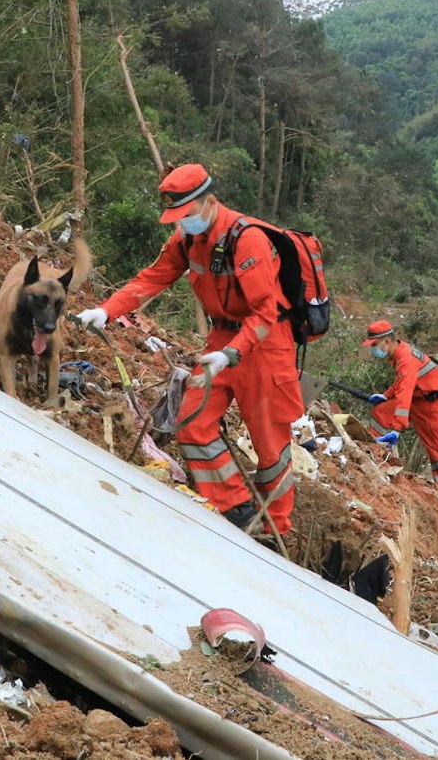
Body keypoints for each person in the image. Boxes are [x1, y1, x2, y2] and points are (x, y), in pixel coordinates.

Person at [75, 165, 302, 536]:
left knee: (270, 445)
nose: (182, 223)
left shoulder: (248, 241)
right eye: (176, 218)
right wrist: (107, 310)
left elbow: (266, 312)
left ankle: (276, 529)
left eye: (186, 215)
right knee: (193, 422)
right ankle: (238, 511)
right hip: (222, 340)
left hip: (264, 344)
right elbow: (152, 277)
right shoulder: (186, 239)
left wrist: (233, 353)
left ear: (209, 202)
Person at [361, 321, 438, 487]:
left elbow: (404, 392)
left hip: (434, 407)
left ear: (387, 341)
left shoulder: (406, 359)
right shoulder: (400, 351)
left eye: (375, 345)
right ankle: (375, 455)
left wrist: (397, 429)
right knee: (381, 412)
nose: (374, 349)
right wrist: (386, 396)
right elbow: (402, 382)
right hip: (417, 401)